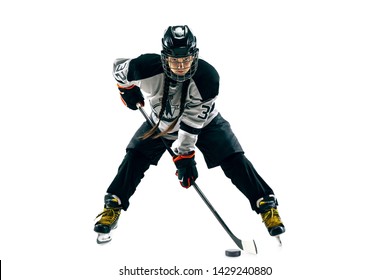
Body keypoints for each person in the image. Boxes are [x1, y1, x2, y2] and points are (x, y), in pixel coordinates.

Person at [94, 25, 285, 244]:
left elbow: (192, 123)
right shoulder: (144, 66)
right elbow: (118, 68)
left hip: (205, 123)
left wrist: (185, 157)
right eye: (175, 61)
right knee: (135, 156)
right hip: (161, 122)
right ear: (165, 58)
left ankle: (266, 205)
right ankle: (113, 205)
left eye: (186, 60)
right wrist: (126, 89)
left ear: (195, 56)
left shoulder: (207, 77)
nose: (181, 66)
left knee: (233, 158)